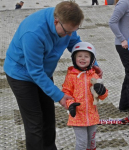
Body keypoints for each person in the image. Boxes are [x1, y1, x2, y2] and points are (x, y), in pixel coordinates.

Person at [4, 1, 103, 150]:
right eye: (67, 32)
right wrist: (60, 96)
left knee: (49, 119)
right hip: (21, 75)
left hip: (43, 72)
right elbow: (35, 71)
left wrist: (93, 63)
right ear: (56, 21)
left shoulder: (66, 20)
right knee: (35, 123)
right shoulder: (33, 33)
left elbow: (75, 42)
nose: (69, 35)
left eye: (73, 30)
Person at [62, 42, 108, 150]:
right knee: (82, 143)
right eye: (79, 56)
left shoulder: (94, 75)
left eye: (86, 56)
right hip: (77, 115)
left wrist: (103, 91)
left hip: (92, 115)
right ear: (74, 58)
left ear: (92, 59)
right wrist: (70, 104)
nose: (83, 59)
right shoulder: (71, 76)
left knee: (91, 143)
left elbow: (101, 96)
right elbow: (66, 93)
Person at [109, 0, 129, 114]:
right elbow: (112, 22)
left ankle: (124, 104)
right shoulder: (123, 3)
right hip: (124, 46)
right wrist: (122, 39)